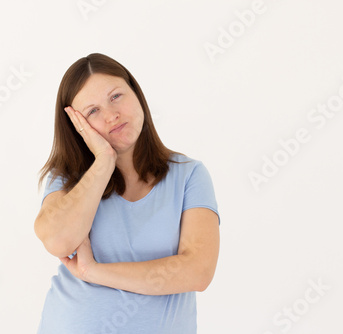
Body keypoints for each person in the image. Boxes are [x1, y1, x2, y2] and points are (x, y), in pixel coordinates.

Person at [34, 53, 220, 333]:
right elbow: (58, 241)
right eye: (92, 111)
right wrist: (104, 161)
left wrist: (93, 272)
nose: (111, 115)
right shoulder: (67, 180)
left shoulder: (189, 175)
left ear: (136, 93)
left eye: (116, 96)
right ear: (77, 127)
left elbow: (198, 271)